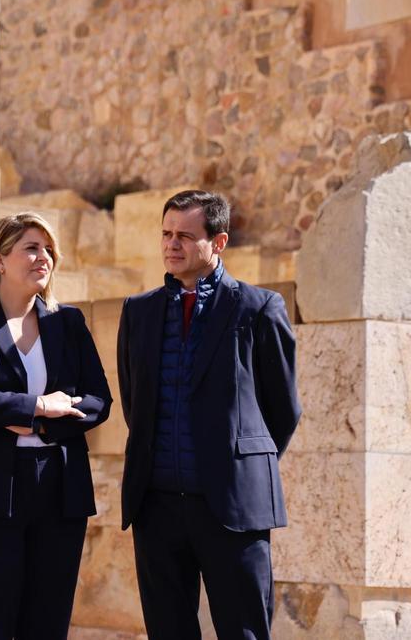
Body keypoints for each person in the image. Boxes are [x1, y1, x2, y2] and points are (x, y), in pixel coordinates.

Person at [117, 190, 301, 639]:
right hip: (156, 507)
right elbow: (133, 399)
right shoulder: (137, 311)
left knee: (244, 633)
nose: (171, 245)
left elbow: (283, 409)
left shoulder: (258, 308)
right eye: (166, 234)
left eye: (185, 235)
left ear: (218, 243)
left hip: (233, 509)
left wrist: (239, 466)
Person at [0, 212, 112, 639]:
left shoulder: (67, 322)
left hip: (58, 488)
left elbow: (98, 401)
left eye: (49, 249)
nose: (43, 257)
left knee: (47, 625)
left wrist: (38, 423)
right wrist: (36, 406)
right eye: (31, 248)